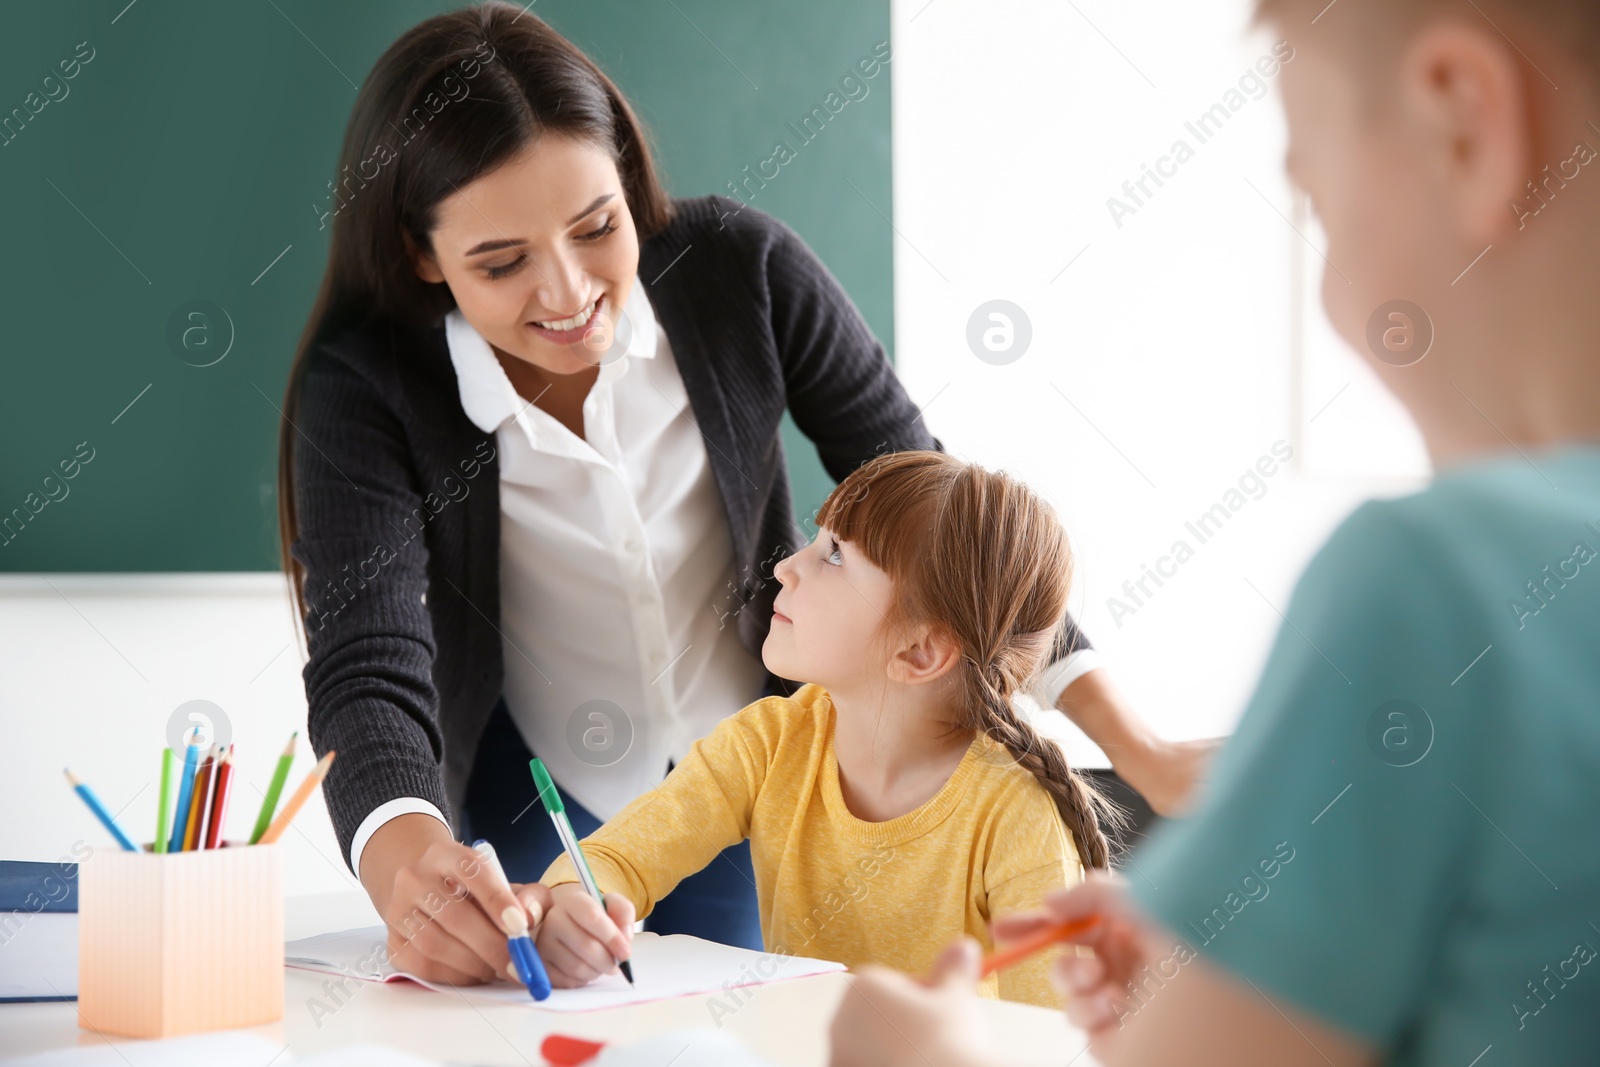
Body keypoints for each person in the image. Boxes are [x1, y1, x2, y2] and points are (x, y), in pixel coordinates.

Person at [276, 1, 1197, 988]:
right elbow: (369, 665)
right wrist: (406, 866)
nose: (569, 292)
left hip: (756, 778)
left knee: (744, 1018)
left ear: (630, 182)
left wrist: (1134, 746)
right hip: (528, 788)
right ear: (423, 255)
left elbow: (949, 535)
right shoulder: (366, 391)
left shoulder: (741, 273)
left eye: (597, 227)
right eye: (500, 262)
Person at [828, 0, 1600, 1063]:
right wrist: (1252, 980)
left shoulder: (1438, 584)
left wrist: (927, 1055)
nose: (1333, 294)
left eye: (1318, 207)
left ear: (1465, 124)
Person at [534, 451, 1117, 1007]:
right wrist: (577, 901)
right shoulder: (768, 742)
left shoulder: (1015, 815)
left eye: (835, 555)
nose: (786, 566)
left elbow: (1053, 1038)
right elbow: (622, 859)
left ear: (919, 653)